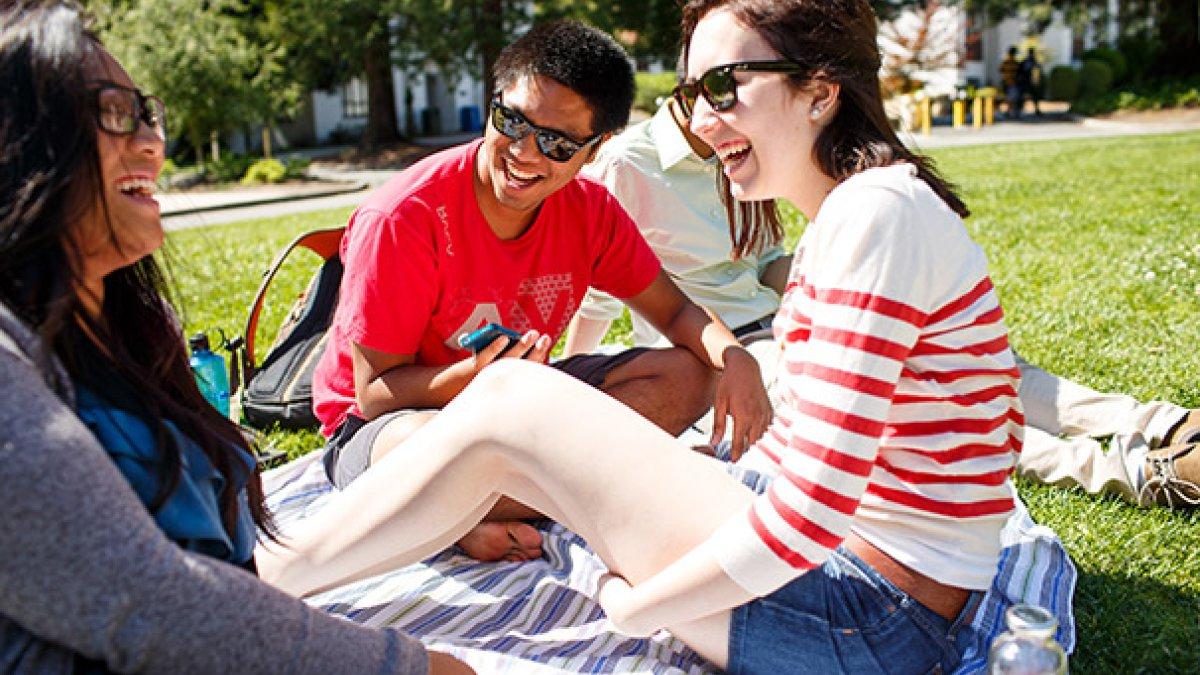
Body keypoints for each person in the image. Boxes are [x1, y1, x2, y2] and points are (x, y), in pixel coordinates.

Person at [258, 0, 1030, 671]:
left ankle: (256, 585)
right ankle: (269, 579)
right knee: (510, 400)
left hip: (864, 621)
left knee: (519, 398)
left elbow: (814, 511)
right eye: (693, 93)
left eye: (726, 87)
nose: (700, 120)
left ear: (820, 91)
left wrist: (631, 606)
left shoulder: (875, 216)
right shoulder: (867, 212)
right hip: (868, 597)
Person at [0, 2, 471, 672]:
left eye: (147, 111)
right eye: (113, 111)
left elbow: (224, 572)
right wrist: (409, 665)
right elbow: (156, 607)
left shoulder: (134, 320)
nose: (152, 143)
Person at [566, 80, 1200, 508]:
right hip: (734, 351)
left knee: (954, 359)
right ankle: (1131, 472)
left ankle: (1152, 423)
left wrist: (844, 289)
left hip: (780, 315)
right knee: (906, 404)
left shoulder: (750, 151)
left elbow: (760, 263)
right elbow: (602, 282)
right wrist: (573, 373)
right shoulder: (629, 165)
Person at [310, 19, 770, 560]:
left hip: (527, 406)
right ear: (493, 101)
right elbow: (375, 394)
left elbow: (675, 314)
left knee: (692, 374)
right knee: (416, 455)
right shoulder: (404, 217)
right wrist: (477, 378)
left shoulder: (590, 212)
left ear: (595, 150)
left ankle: (467, 511)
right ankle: (493, 505)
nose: (525, 154)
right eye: (511, 121)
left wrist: (737, 358)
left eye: (556, 144)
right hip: (393, 425)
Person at [1017, 47, 1043, 116]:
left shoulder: (1029, 62)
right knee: (1026, 97)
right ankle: (1020, 110)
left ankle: (1036, 110)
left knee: (1031, 97)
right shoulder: (1032, 62)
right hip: (1028, 82)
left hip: (1028, 82)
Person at [1000, 46, 1022, 119]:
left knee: (1010, 98)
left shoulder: (1006, 61)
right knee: (1012, 98)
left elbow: (1000, 69)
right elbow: (1017, 71)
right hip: (1012, 82)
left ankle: (1008, 111)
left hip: (1006, 82)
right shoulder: (1013, 61)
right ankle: (1010, 112)